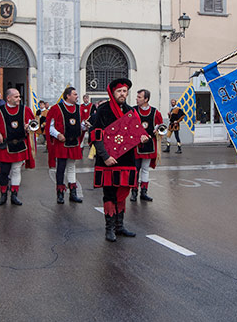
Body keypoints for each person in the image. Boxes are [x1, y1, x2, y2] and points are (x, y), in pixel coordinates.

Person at [88, 78, 150, 242]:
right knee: (109, 194)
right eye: (119, 91)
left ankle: (119, 226)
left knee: (122, 194)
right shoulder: (103, 110)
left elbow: (134, 134)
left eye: (125, 91)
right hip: (107, 160)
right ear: (112, 93)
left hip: (126, 160)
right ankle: (109, 229)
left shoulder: (130, 110)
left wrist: (142, 138)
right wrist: (105, 156)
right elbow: (96, 135)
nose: (123, 94)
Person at [0, 88, 36, 206]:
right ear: (8, 98)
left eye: (19, 96)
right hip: (5, 146)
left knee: (16, 170)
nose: (19, 99)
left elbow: (33, 125)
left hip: (20, 145)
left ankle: (14, 195)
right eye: (16, 97)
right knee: (4, 172)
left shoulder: (25, 110)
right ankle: (3, 194)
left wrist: (27, 127)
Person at [46, 87, 86, 204]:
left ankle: (73, 193)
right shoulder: (56, 108)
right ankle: (60, 193)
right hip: (62, 143)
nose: (77, 96)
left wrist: (85, 126)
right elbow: (50, 126)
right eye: (75, 94)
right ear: (68, 96)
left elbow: (80, 125)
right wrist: (58, 135)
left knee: (71, 167)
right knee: (61, 167)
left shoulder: (79, 109)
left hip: (74, 142)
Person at [131, 89, 164, 202]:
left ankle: (144, 192)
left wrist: (157, 131)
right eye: (137, 96)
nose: (137, 99)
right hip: (136, 146)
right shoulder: (133, 110)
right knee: (135, 169)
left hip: (149, 145)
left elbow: (161, 127)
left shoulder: (155, 112)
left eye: (139, 97)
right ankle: (134, 192)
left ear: (146, 99)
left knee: (145, 169)